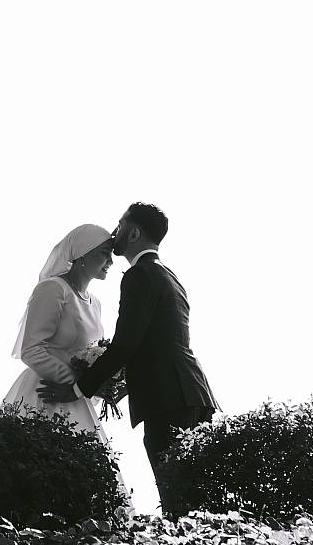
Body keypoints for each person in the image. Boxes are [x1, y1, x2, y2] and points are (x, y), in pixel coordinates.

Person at [38, 203, 217, 511]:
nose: (114, 232)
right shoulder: (169, 275)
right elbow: (154, 344)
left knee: (177, 499)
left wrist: (78, 389)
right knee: (196, 497)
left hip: (168, 400)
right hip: (193, 394)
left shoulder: (138, 275)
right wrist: (120, 386)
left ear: (133, 233)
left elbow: (125, 345)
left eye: (119, 225)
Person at [2, 223, 124, 462]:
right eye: (104, 254)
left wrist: (97, 382)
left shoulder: (96, 303)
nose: (110, 261)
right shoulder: (53, 289)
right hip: (45, 392)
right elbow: (31, 350)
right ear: (82, 255)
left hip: (76, 396)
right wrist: (78, 381)